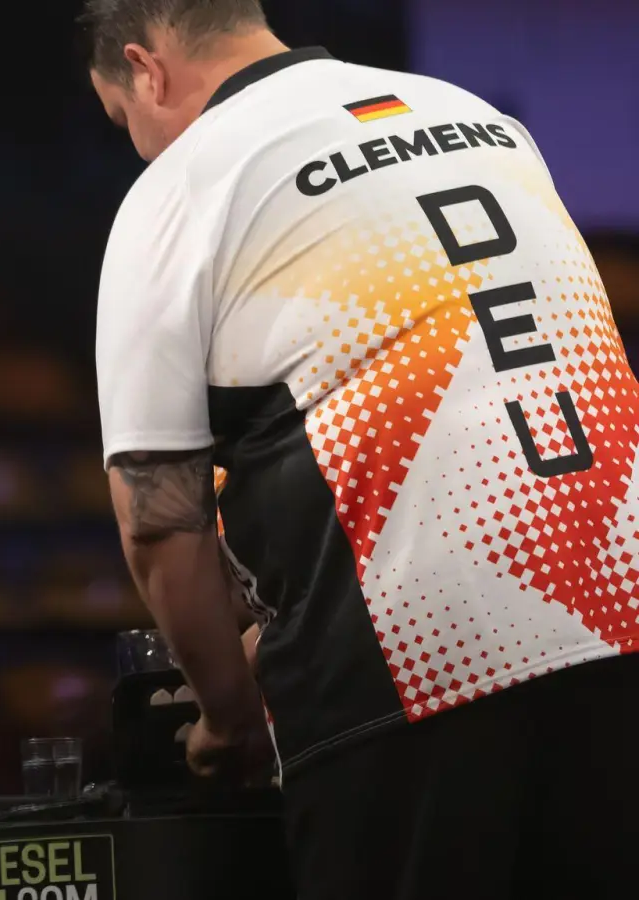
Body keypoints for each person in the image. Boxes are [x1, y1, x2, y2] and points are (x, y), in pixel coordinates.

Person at [82, 1, 639, 898]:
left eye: (126, 123)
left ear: (147, 70)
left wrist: (229, 720)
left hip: (417, 666)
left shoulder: (183, 183)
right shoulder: (483, 120)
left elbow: (157, 516)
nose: (140, 148)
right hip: (623, 609)